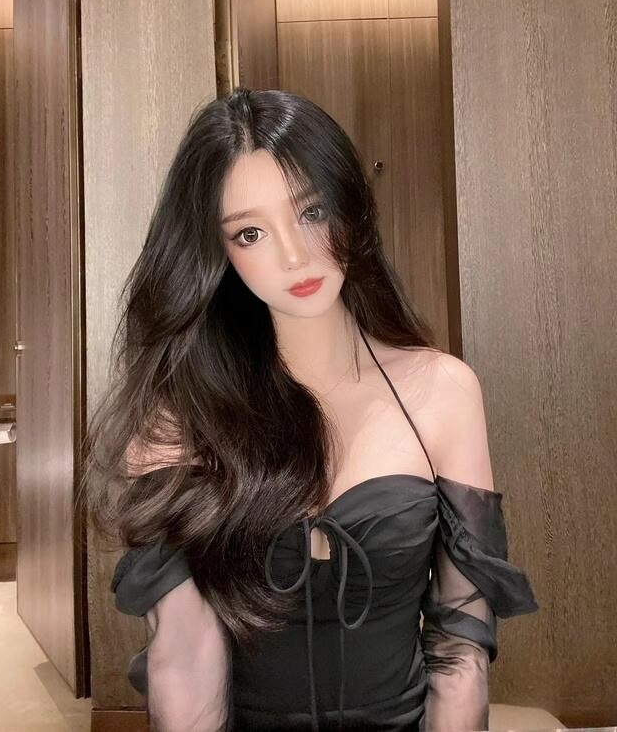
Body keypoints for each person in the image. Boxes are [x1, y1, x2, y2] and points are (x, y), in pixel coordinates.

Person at [83, 87, 539, 731]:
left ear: (350, 205)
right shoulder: (181, 414)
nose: (293, 256)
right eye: (250, 233)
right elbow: (183, 652)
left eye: (311, 211)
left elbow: (460, 643)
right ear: (218, 252)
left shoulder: (443, 390)